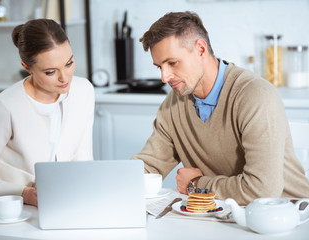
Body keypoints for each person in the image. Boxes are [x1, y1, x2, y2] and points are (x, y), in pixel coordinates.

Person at [132, 11, 309, 205]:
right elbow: (149, 167)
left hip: (288, 218)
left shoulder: (255, 96)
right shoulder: (173, 105)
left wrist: (197, 184)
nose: (164, 77)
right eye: (159, 67)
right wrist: (114, 181)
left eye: (172, 63)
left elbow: (263, 191)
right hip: (225, 216)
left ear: (200, 49)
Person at [0, 19, 95, 222]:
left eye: (69, 63)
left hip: (59, 210)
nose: (64, 77)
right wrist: (25, 193)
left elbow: (82, 159)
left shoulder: (84, 91)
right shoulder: (5, 107)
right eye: (50, 72)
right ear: (27, 67)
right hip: (4, 218)